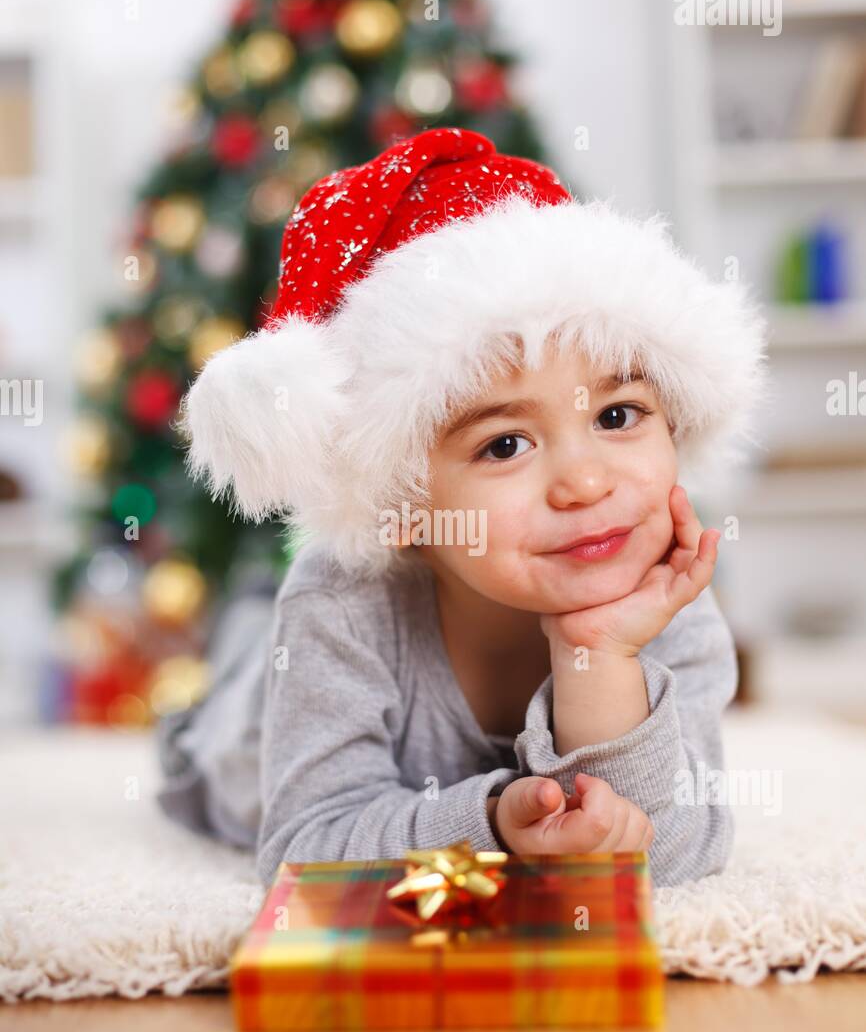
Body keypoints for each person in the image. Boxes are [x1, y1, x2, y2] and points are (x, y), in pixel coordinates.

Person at [157, 125, 768, 889]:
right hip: (243, 735)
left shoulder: (669, 606)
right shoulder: (342, 607)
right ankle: (242, 637)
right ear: (403, 501)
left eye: (616, 417)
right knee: (221, 718)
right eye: (505, 446)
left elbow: (677, 851)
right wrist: (490, 826)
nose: (584, 482)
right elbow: (303, 850)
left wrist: (599, 655)